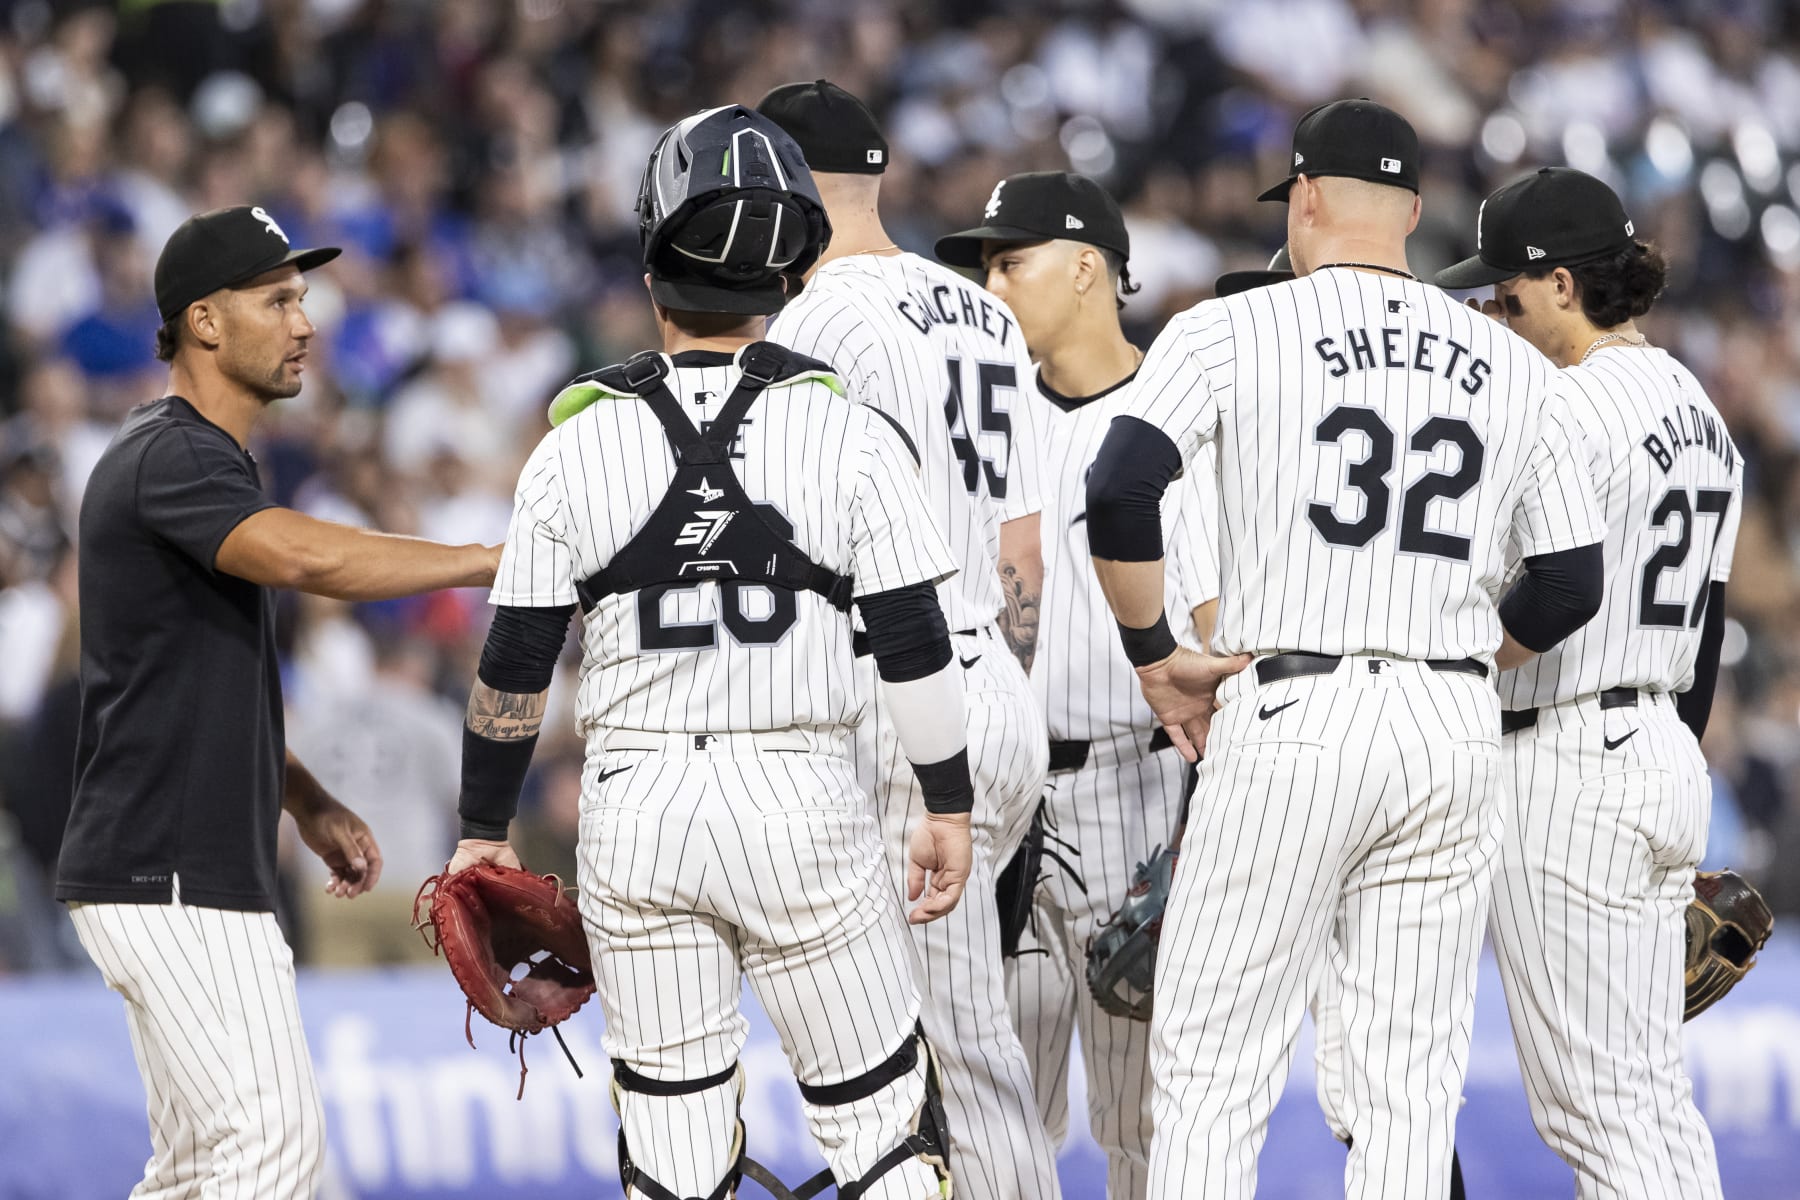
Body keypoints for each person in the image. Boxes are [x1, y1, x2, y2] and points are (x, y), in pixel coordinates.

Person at [440, 105, 977, 1200]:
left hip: (636, 810)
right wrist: (950, 804)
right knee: (882, 1131)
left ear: (650, 268)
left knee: (676, 1163)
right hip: (802, 798)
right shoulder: (849, 431)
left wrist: (480, 831)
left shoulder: (574, 441)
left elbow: (514, 668)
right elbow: (915, 642)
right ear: (792, 278)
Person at [1083, 99, 1609, 1199]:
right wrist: (1458, 665)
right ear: (1416, 212)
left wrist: (1154, 653)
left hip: (1295, 710)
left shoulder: (1234, 326)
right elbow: (1569, 581)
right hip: (1451, 727)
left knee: (1215, 1065)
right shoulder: (1513, 362)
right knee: (1407, 1085)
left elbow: (1121, 486)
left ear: (1305, 197)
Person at [56, 204, 500, 1199]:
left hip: (166, 863)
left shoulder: (187, 457)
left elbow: (183, 679)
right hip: (174, 871)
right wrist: (486, 557)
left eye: (303, 299)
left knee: (198, 1171)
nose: (306, 322)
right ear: (205, 321)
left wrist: (300, 795)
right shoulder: (173, 453)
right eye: (279, 300)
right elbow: (307, 556)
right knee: (270, 1152)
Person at [758, 79, 1061, 1200]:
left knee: (945, 1056)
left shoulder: (814, 318)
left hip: (902, 692)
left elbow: (812, 548)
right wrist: (992, 728)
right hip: (988, 674)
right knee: (947, 1049)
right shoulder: (977, 305)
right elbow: (1022, 546)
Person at [1435, 166, 1738, 1200]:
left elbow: (1554, 587)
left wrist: (1460, 663)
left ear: (1562, 282)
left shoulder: (1559, 406)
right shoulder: (1703, 410)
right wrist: (1674, 766)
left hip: (1566, 755)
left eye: (1506, 291)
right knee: (1651, 1094)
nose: (1492, 310)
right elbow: (1714, 621)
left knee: (1595, 1105)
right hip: (1661, 745)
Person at [936, 170, 1218, 1200]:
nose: (991, 284)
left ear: (1088, 267)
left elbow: (1218, 625)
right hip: (999, 795)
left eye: (1011, 261)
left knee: (1148, 1123)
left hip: (1136, 789)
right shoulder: (980, 417)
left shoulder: (1178, 413)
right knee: (993, 1128)